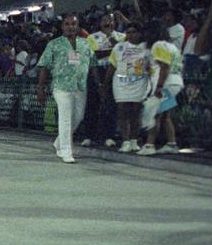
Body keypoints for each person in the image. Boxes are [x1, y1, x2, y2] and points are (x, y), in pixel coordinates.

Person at [37, 14, 94, 163]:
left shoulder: (85, 44)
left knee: (78, 116)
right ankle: (66, 151)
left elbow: (93, 63)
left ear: (78, 26)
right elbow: (44, 66)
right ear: (62, 27)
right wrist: (40, 88)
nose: (70, 27)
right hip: (61, 87)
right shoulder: (54, 44)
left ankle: (59, 142)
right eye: (67, 24)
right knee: (65, 117)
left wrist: (99, 84)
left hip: (80, 86)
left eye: (73, 24)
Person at [138, 21, 184, 156]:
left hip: (165, 84)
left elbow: (164, 67)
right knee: (165, 115)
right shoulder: (172, 46)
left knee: (153, 114)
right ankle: (171, 144)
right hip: (176, 82)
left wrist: (158, 87)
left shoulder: (157, 45)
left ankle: (149, 145)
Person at [102, 22, 148, 153]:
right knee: (123, 110)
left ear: (140, 33)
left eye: (134, 32)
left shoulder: (146, 47)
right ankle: (126, 141)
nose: (131, 35)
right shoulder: (119, 47)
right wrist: (105, 84)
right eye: (128, 32)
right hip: (121, 83)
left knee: (136, 111)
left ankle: (134, 140)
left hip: (139, 82)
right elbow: (112, 66)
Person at [82, 14, 125, 148]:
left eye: (111, 20)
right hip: (97, 70)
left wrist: (111, 44)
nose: (108, 23)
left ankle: (109, 135)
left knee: (111, 105)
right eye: (105, 21)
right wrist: (112, 51)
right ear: (100, 23)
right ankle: (89, 135)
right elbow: (93, 55)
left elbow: (122, 53)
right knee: (92, 104)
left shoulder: (122, 37)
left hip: (114, 71)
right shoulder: (92, 37)